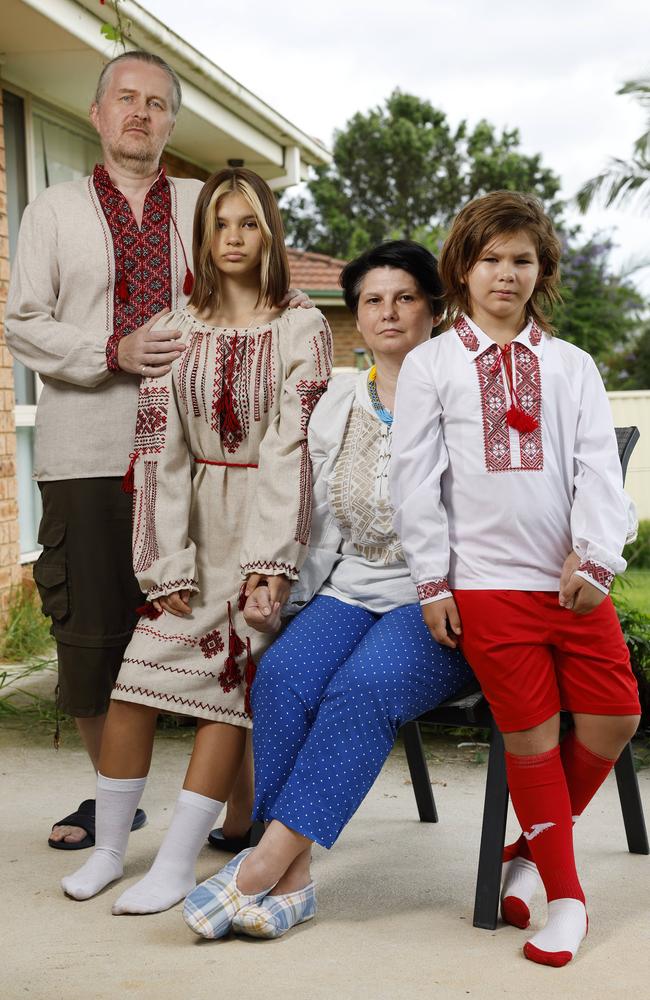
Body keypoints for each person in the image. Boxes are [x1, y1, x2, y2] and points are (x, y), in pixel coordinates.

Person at [4, 51, 304, 849]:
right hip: (90, 451)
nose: (140, 114)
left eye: (156, 103)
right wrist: (113, 349)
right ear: (99, 115)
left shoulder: (208, 204)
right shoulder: (53, 211)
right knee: (94, 627)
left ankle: (238, 812)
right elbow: (24, 322)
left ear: (173, 121)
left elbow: (265, 286)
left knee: (225, 631)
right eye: (125, 100)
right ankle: (113, 804)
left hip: (207, 459)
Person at [181, 240, 474, 941]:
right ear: (359, 317)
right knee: (282, 676)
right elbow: (309, 513)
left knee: (363, 688)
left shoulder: (468, 398)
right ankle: (299, 883)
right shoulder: (342, 400)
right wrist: (281, 583)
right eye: (373, 300)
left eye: (406, 297)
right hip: (354, 586)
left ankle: (264, 866)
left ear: (434, 309)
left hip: (446, 604)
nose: (389, 312)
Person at [59, 166, 332, 915]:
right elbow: (159, 452)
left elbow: (292, 452)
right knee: (133, 684)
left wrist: (272, 563)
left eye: (249, 223)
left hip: (263, 529)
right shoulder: (176, 324)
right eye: (221, 223)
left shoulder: (300, 327)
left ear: (268, 233)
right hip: (188, 527)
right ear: (203, 235)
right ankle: (111, 851)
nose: (235, 238)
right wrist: (162, 559)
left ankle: (177, 863)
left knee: (225, 691)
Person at [388, 192, 640, 967]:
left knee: (616, 717)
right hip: (487, 588)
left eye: (522, 260)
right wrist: (434, 583)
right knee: (529, 738)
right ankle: (567, 900)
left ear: (542, 271)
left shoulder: (571, 366)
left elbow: (598, 469)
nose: (506, 273)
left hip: (570, 584)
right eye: (490, 258)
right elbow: (414, 481)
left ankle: (532, 848)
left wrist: (596, 557)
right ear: (462, 268)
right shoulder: (434, 364)